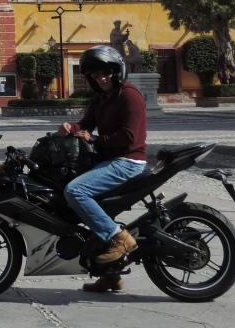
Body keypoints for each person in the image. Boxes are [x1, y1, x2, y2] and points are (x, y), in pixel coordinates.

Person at [57, 44, 147, 293]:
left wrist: (94, 140)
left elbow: (129, 137)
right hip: (109, 160)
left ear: (116, 70)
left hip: (128, 161)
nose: (101, 78)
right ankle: (110, 274)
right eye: (96, 75)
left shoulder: (130, 95)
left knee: (75, 191)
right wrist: (71, 128)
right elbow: (86, 124)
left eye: (105, 72)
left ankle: (119, 238)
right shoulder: (101, 98)